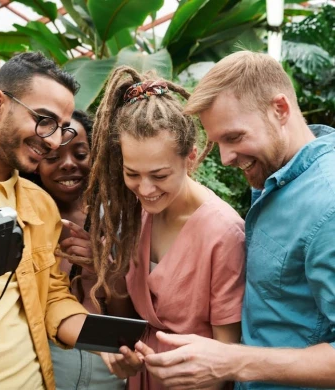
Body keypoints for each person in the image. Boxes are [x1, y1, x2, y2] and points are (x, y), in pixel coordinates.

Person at [136, 50, 335, 390]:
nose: (226, 158)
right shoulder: (280, 172)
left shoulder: (326, 205)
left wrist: (234, 361)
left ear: (280, 110)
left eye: (234, 137)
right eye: (217, 142)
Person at [77, 66, 246, 390]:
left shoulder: (223, 234)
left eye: (159, 175)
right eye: (132, 173)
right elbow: (129, 319)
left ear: (191, 159)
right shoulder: (134, 214)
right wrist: (121, 355)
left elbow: (226, 356)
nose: (145, 189)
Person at [0, 52, 89, 390]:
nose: (53, 141)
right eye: (44, 119)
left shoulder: (41, 204)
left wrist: (102, 341)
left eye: (62, 129)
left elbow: (51, 292)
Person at [29, 109, 125, 389]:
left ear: (95, 157)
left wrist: (102, 273)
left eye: (80, 154)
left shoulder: (119, 221)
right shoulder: (26, 220)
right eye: (53, 157)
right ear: (35, 163)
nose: (69, 164)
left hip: (107, 373)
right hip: (42, 371)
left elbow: (127, 317)